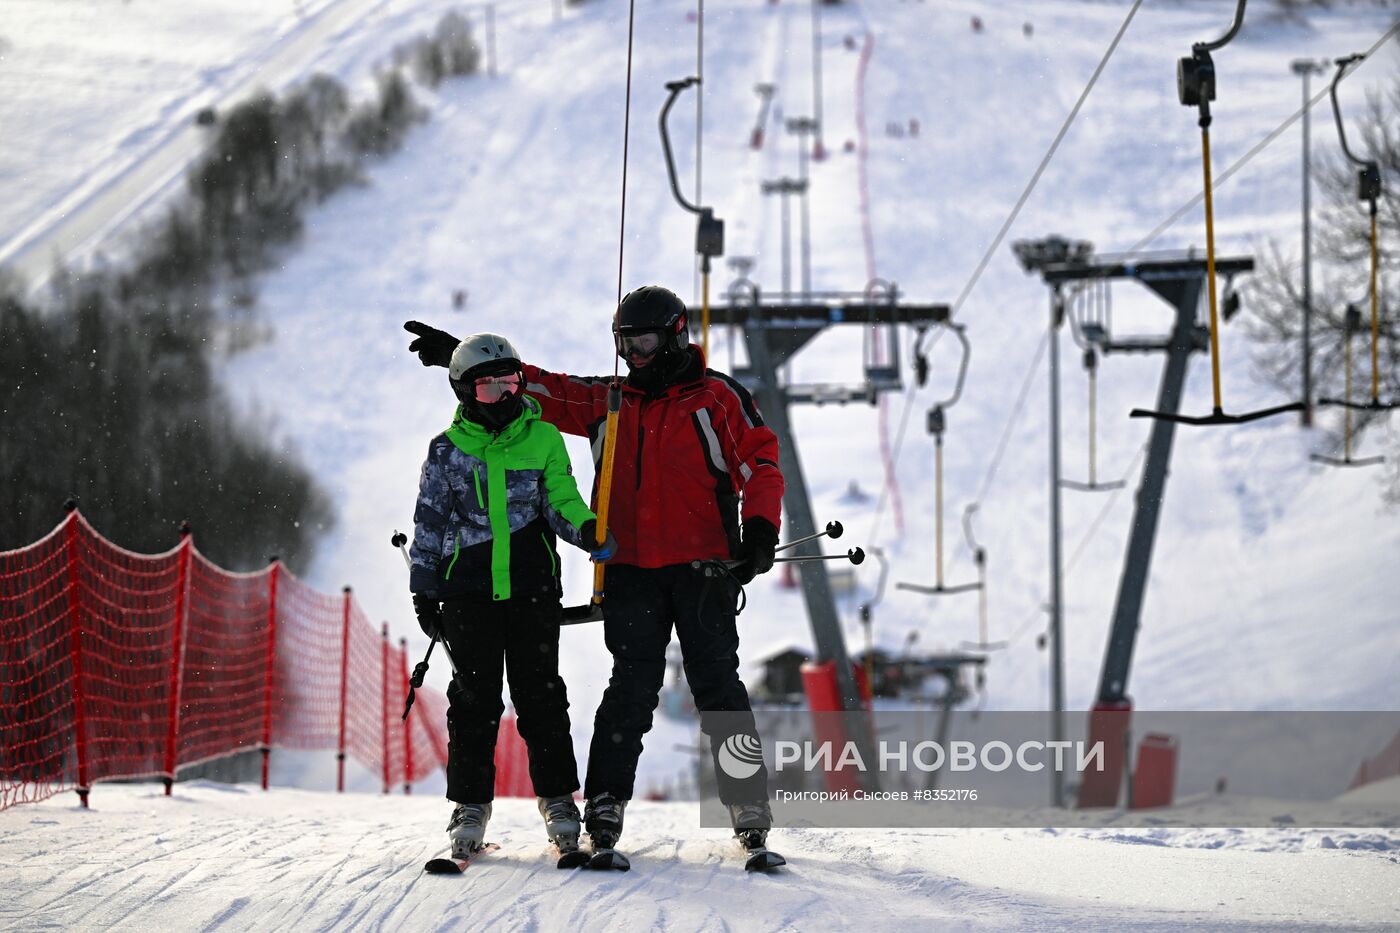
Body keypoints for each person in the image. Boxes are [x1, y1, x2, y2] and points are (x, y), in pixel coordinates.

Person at [405, 286, 785, 858]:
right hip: (630, 569)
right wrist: (464, 356)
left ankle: (747, 802)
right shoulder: (611, 401)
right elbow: (538, 389)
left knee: (717, 684)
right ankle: (605, 803)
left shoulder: (715, 397)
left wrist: (759, 530)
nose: (635, 355)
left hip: (703, 567)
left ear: (676, 335)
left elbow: (759, 462)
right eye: (624, 344)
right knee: (631, 687)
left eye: (646, 341)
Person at [408, 332, 616, 859]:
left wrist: (588, 529)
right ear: (462, 392)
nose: (502, 396)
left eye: (511, 383)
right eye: (487, 388)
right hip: (467, 595)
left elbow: (560, 501)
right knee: (474, 702)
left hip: (530, 591)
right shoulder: (447, 450)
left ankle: (558, 801)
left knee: (541, 697)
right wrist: (424, 587)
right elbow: (430, 523)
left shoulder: (543, 438)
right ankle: (471, 805)